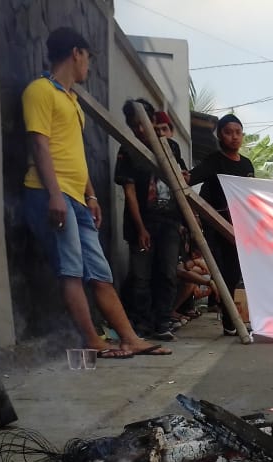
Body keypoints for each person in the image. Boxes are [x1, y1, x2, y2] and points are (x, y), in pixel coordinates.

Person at [22, 27, 170, 358]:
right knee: (72, 269)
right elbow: (39, 144)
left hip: (78, 199)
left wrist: (90, 195)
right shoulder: (40, 91)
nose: (89, 64)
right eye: (87, 56)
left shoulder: (71, 99)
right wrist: (55, 195)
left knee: (100, 272)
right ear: (76, 53)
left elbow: (74, 153)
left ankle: (129, 337)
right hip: (50, 194)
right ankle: (92, 339)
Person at [113, 98, 188, 340]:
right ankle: (141, 325)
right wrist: (140, 227)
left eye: (143, 124)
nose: (140, 130)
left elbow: (182, 181)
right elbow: (130, 192)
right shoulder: (128, 151)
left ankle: (162, 322)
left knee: (167, 273)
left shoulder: (171, 148)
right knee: (141, 277)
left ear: (154, 121)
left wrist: (185, 223)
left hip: (169, 222)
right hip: (142, 223)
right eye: (134, 125)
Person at [188, 113, 254, 335]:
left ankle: (231, 321)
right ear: (220, 136)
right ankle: (230, 321)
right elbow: (190, 179)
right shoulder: (214, 161)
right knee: (222, 273)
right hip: (216, 227)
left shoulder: (246, 165)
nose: (234, 137)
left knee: (234, 274)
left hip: (238, 228)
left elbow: (251, 196)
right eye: (228, 132)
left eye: (238, 132)